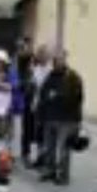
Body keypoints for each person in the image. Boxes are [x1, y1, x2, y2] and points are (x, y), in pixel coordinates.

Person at [37, 49, 85, 185]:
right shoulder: (50, 76)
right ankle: (49, 170)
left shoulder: (73, 77)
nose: (56, 62)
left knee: (64, 149)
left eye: (59, 59)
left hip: (67, 119)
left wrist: (57, 96)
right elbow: (43, 95)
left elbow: (77, 97)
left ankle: (63, 175)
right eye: (55, 60)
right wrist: (41, 114)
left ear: (65, 60)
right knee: (49, 147)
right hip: (50, 117)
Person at [26, 45, 54, 168]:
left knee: (46, 133)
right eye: (40, 54)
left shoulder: (51, 70)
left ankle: (46, 158)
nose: (41, 56)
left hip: (48, 106)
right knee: (37, 132)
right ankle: (38, 157)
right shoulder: (35, 69)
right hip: (36, 104)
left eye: (44, 54)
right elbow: (32, 86)